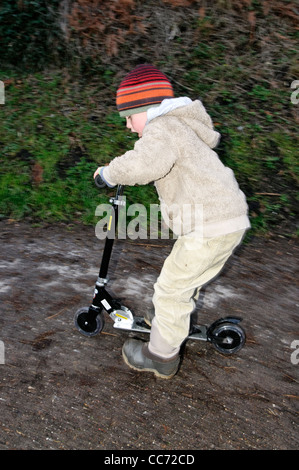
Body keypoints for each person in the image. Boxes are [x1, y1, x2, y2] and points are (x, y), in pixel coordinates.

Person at [94, 64, 250, 379]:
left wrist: (108, 173)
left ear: (147, 109)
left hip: (209, 225)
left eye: (130, 116)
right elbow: (152, 160)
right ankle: (167, 319)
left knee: (171, 287)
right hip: (223, 220)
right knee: (183, 279)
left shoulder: (162, 128)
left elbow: (143, 164)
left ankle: (161, 356)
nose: (128, 125)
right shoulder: (179, 127)